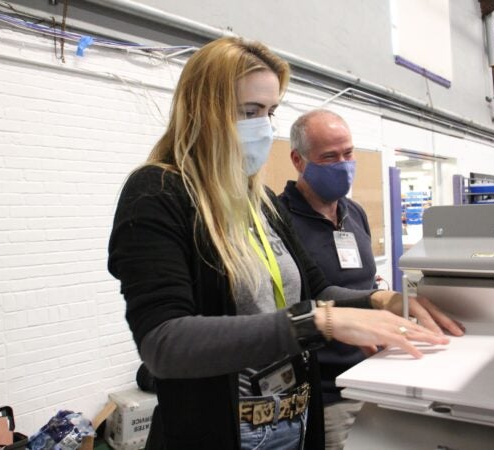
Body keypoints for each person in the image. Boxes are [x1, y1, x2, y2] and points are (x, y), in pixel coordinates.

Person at [107, 37, 449, 450]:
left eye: (270, 112)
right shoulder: (158, 193)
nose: (265, 126)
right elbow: (164, 342)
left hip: (294, 423)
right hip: (219, 431)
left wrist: (380, 301)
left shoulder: (260, 201)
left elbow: (317, 289)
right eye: (250, 112)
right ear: (204, 110)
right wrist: (316, 322)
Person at [278, 109, 465, 449]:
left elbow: (364, 283)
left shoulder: (354, 212)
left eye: (348, 153)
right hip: (328, 389)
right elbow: (296, 301)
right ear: (298, 160)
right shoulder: (281, 218)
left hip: (376, 372)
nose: (343, 164)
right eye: (329, 157)